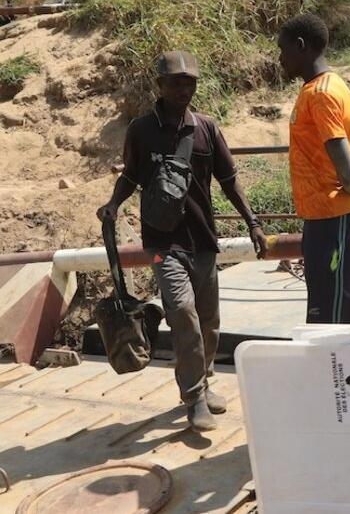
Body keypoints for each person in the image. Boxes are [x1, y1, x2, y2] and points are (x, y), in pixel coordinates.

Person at [97, 51, 267, 431]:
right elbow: (131, 176)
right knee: (183, 315)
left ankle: (203, 383)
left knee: (208, 321)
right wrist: (113, 203)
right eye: (176, 82)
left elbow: (229, 180)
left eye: (189, 82)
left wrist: (252, 222)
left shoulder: (206, 128)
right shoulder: (141, 130)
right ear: (159, 85)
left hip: (202, 240)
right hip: (163, 244)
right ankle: (193, 397)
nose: (183, 89)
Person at [276, 14, 350, 325]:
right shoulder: (328, 88)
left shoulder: (321, 94)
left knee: (334, 322)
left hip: (334, 221)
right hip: (323, 220)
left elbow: (348, 164)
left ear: (301, 46)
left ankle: (340, 375)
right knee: (324, 318)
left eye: (283, 50)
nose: (280, 59)